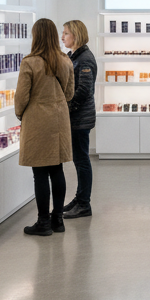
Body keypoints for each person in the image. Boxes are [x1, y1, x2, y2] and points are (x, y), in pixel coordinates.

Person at [15, 18, 75, 237]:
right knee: (57, 168)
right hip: (59, 119)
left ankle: (43, 222)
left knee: (39, 172)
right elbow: (69, 93)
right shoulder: (65, 60)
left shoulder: (29, 62)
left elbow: (21, 97)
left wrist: (21, 113)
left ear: (36, 36)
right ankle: (57, 219)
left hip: (37, 120)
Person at [61, 19, 97, 219]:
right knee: (79, 159)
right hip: (77, 117)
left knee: (82, 160)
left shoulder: (84, 59)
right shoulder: (75, 56)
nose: (62, 37)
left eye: (66, 33)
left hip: (80, 118)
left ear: (76, 35)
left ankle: (84, 203)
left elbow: (83, 90)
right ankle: (80, 197)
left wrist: (67, 108)